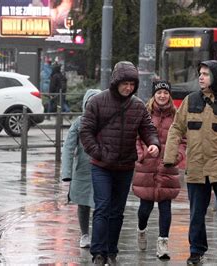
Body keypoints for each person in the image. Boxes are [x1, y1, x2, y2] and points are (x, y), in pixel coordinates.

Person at [163, 60, 217, 265]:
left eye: (206, 74)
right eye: (200, 73)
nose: (201, 77)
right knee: (196, 214)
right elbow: (176, 129)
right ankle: (196, 252)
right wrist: (169, 157)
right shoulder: (190, 100)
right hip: (196, 168)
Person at [80, 61, 160, 265]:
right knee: (103, 207)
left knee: (117, 211)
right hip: (102, 166)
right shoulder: (98, 102)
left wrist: (153, 143)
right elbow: (86, 131)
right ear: (116, 82)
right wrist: (98, 152)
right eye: (125, 84)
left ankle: (112, 252)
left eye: (132, 84)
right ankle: (98, 253)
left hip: (125, 166)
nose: (129, 88)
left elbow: (148, 129)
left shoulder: (138, 105)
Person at [132, 80, 186, 260]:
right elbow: (136, 137)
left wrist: (177, 156)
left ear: (169, 95)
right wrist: (141, 155)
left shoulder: (177, 115)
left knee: (166, 206)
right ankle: (141, 230)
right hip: (147, 166)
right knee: (144, 208)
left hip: (167, 166)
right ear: (154, 95)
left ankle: (163, 243)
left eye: (165, 92)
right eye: (159, 93)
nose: (162, 96)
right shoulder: (145, 113)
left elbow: (183, 140)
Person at [61, 89, 101, 249]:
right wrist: (66, 173)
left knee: (101, 204)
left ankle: (99, 234)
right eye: (89, 103)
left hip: (103, 168)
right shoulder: (79, 122)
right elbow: (68, 147)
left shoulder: (107, 121)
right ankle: (84, 234)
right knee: (83, 203)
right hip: (82, 170)